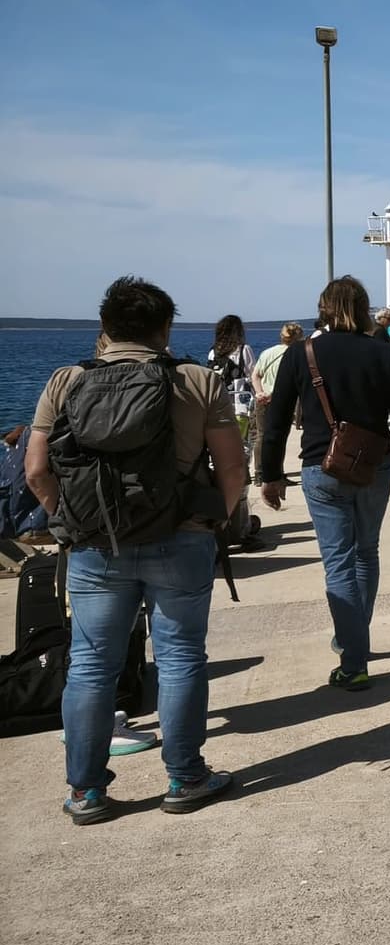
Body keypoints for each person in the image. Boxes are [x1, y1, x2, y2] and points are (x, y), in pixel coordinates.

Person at [23, 276, 246, 824]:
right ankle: (186, 777)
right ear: (165, 328)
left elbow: (35, 470)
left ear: (104, 327)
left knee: (92, 667)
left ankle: (86, 791)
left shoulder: (65, 381)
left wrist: (68, 520)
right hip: (184, 538)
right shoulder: (197, 380)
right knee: (180, 658)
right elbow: (234, 467)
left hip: (95, 545)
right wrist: (211, 514)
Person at [256, 276, 390, 692]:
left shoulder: (302, 353)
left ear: (324, 308)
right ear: (364, 308)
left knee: (338, 562)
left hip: (321, 467)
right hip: (376, 467)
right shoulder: (384, 353)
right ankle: (354, 638)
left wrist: (271, 475)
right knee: (366, 552)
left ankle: (353, 657)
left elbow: (275, 421)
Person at [207, 316, 256, 474]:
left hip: (218, 406)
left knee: (220, 444)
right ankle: (241, 474)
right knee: (243, 443)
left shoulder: (212, 352)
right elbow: (253, 374)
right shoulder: (243, 350)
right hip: (240, 405)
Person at [252, 323, 304, 431]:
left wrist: (260, 393)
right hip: (282, 402)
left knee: (261, 436)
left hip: (262, 400)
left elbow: (255, 376)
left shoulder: (267, 353)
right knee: (279, 437)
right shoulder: (297, 355)